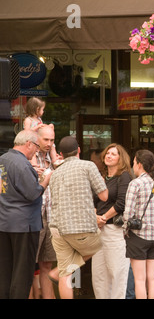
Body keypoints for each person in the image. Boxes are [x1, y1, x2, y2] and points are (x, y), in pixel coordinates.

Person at [47, 136, 108, 299]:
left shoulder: (55, 173)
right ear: (79, 150)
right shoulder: (88, 166)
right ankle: (61, 270)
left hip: (57, 228)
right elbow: (104, 196)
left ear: (61, 153)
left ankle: (60, 271)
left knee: (65, 273)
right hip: (81, 227)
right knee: (100, 245)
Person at [0, 130, 52, 299]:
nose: (37, 151)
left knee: (5, 270)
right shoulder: (22, 164)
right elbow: (33, 193)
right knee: (22, 272)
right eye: (36, 147)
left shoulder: (3, 159)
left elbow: (10, 184)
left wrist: (31, 172)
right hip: (24, 224)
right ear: (28, 143)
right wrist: (46, 179)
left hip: (4, 222)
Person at [123, 149, 154, 299]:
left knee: (139, 279)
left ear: (139, 164)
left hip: (138, 236)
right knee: (153, 278)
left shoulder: (135, 184)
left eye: (133, 163)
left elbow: (128, 214)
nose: (132, 166)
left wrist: (125, 230)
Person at [91, 143, 133, 299]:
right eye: (107, 153)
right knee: (99, 275)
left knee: (116, 273)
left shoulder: (124, 176)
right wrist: (96, 217)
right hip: (98, 230)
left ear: (121, 159)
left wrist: (103, 218)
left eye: (113, 154)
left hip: (115, 231)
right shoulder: (101, 176)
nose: (109, 156)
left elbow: (122, 203)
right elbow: (93, 201)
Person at [29, 125, 60, 299]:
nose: (49, 143)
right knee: (29, 266)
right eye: (46, 140)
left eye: (52, 140)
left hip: (51, 217)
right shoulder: (29, 157)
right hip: (34, 216)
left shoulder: (54, 159)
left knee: (47, 265)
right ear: (36, 138)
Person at [23, 97, 58, 165]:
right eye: (42, 109)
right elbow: (26, 132)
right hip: (32, 140)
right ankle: (34, 164)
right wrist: (37, 127)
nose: (43, 111)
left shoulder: (39, 119)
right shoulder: (28, 120)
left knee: (52, 146)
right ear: (37, 109)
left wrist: (49, 126)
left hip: (39, 140)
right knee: (33, 150)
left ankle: (55, 159)